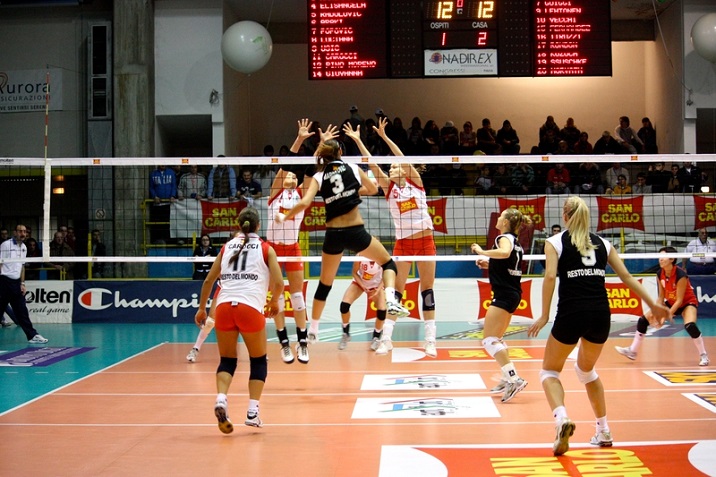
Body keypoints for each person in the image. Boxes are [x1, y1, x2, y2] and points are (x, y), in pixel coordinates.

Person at [527, 196, 669, 456]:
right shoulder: (603, 243)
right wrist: (653, 305)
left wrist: (544, 315)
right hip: (601, 315)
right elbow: (626, 276)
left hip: (572, 313)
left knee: (549, 372)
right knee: (586, 372)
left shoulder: (555, 242)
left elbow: (549, 277)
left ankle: (562, 419)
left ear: (565, 215)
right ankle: (603, 430)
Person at [275, 120, 410, 344]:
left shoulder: (319, 176)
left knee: (324, 284)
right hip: (356, 232)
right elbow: (373, 189)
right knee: (388, 264)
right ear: (340, 153)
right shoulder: (353, 168)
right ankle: (390, 299)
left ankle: (313, 329)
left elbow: (305, 202)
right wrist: (353, 191)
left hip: (333, 234)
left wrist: (284, 216)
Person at [194, 207, 284, 432]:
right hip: (249, 308)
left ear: (238, 225)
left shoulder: (226, 247)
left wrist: (202, 309)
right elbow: (279, 282)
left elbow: (208, 281)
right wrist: (274, 302)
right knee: (258, 361)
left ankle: (221, 398)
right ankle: (252, 412)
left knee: (227, 360)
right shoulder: (266, 248)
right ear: (258, 226)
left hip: (224, 308)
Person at [355, 117, 438, 357]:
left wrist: (385, 137)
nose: (391, 169)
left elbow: (401, 157)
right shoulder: (389, 188)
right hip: (403, 244)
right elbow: (372, 165)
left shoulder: (415, 182)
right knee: (396, 293)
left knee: (427, 291)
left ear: (403, 169)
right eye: (390, 168)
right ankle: (387, 339)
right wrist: (359, 141)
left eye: (394, 167)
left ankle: (430, 341)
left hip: (425, 241)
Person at [470, 208, 532, 402]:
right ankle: (507, 378)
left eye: (501, 216)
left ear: (506, 222)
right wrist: (490, 265)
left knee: (489, 340)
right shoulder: (516, 242)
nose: (498, 218)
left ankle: (514, 379)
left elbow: (504, 253)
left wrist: (481, 251)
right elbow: (508, 263)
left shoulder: (503, 238)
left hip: (505, 294)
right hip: (512, 293)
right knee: (496, 338)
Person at [266, 121, 313, 364]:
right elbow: (285, 165)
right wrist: (299, 139)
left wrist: (321, 147)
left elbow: (312, 172)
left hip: (292, 247)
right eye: (288, 174)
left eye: (295, 176)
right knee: (276, 296)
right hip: (272, 250)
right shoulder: (275, 192)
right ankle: (284, 343)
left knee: (297, 297)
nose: (290, 177)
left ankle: (302, 343)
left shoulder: (302, 195)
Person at [616, 246, 709, 367]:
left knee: (690, 326)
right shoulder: (660, 273)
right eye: (659, 256)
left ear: (672, 259)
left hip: (687, 303)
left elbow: (679, 300)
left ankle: (703, 355)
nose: (660, 259)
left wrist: (665, 317)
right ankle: (632, 351)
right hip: (671, 302)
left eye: (663, 257)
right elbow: (661, 297)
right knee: (643, 320)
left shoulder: (681, 275)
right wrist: (656, 311)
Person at [0, 224, 48, 344]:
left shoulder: (24, 247)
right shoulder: (6, 245)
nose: (23, 234)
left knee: (22, 311)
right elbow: (0, 263)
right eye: (20, 231)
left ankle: (32, 336)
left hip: (16, 283)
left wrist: (22, 283)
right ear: (15, 232)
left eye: (25, 231)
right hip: (4, 281)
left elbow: (22, 267)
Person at [338, 259, 387, 351]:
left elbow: (387, 275)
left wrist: (379, 288)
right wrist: (363, 285)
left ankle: (376, 338)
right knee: (344, 306)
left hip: (376, 285)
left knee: (382, 311)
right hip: (360, 283)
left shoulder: (382, 257)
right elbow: (354, 272)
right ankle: (345, 333)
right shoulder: (360, 256)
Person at [148, 165, 177, 243]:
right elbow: (151, 187)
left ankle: (169, 241)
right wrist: (154, 196)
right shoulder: (153, 174)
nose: (162, 165)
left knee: (169, 223)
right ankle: (158, 240)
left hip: (169, 204)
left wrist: (173, 195)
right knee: (158, 223)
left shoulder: (171, 173)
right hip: (158, 205)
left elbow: (174, 186)